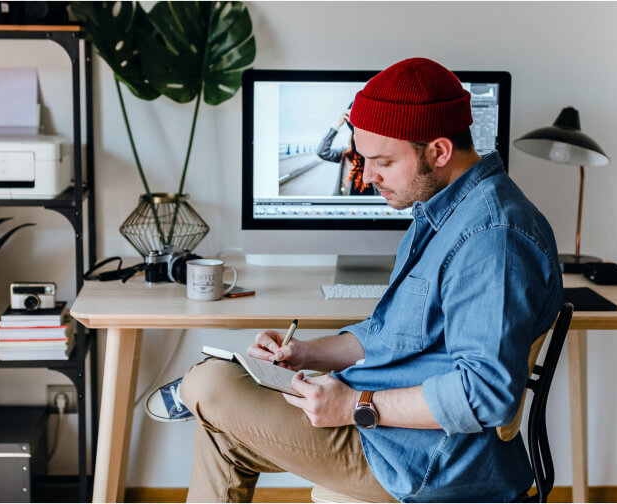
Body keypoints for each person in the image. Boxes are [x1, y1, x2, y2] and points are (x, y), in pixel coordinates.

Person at [177, 57, 564, 503]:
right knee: (221, 419)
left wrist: (356, 406)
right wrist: (307, 353)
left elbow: (486, 393)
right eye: (364, 157)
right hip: (396, 433)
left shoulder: (492, 238)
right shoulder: (443, 209)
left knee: (207, 385)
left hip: (425, 459)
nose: (370, 176)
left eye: (382, 161)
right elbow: (392, 335)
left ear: (438, 151)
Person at [316, 104, 376, 196]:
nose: (360, 137)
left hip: (372, 205)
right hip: (347, 203)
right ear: (352, 137)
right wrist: (338, 125)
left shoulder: (378, 156)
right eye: (356, 134)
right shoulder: (345, 154)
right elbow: (322, 152)